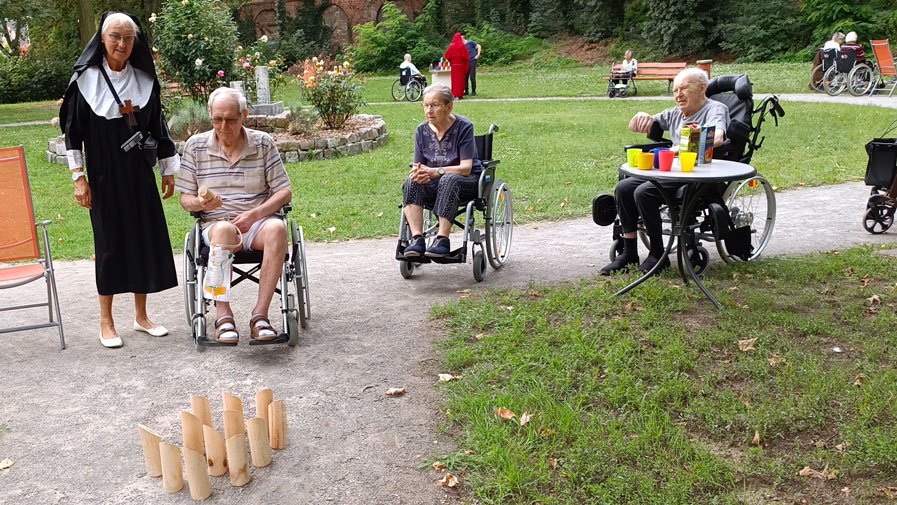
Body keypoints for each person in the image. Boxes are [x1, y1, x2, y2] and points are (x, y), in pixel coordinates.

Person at [59, 12, 179, 348]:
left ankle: (141, 317)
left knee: (143, 237)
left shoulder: (144, 80)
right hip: (102, 174)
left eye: (128, 38)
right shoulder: (86, 82)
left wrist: (168, 169)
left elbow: (159, 126)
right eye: (115, 36)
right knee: (109, 244)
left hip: (139, 172)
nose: (121, 44)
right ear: (101, 38)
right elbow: (72, 135)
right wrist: (79, 179)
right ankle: (107, 322)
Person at [176, 87, 292, 345]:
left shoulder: (262, 143)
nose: (223, 126)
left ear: (244, 116)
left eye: (230, 119)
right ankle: (223, 316)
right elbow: (184, 199)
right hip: (216, 225)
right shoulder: (195, 147)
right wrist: (200, 202)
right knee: (223, 230)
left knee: (277, 229)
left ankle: (260, 316)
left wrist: (255, 214)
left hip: (257, 224)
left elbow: (284, 191)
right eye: (217, 119)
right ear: (210, 115)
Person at [600, 68, 730, 276]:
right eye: (676, 90)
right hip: (673, 171)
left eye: (684, 88)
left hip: (698, 175)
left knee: (644, 192)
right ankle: (629, 252)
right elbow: (650, 121)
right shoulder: (676, 113)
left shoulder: (715, 109)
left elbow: (718, 138)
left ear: (702, 88)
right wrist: (642, 117)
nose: (678, 94)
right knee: (624, 187)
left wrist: (684, 147)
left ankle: (658, 255)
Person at [401, 83, 482, 258]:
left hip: (467, 182)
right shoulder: (421, 131)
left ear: (449, 106)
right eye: (426, 105)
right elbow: (419, 166)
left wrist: (436, 172)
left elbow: (466, 168)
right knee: (411, 181)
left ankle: (442, 239)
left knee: (448, 179)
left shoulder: (464, 126)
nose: (429, 110)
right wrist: (419, 173)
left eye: (435, 105)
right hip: (435, 183)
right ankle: (417, 239)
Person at [443, 33, 470, 99]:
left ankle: (455, 94)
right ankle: (460, 94)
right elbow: (466, 57)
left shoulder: (451, 46)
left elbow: (447, 56)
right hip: (461, 66)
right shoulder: (462, 46)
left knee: (455, 81)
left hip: (454, 66)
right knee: (461, 81)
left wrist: (451, 62)